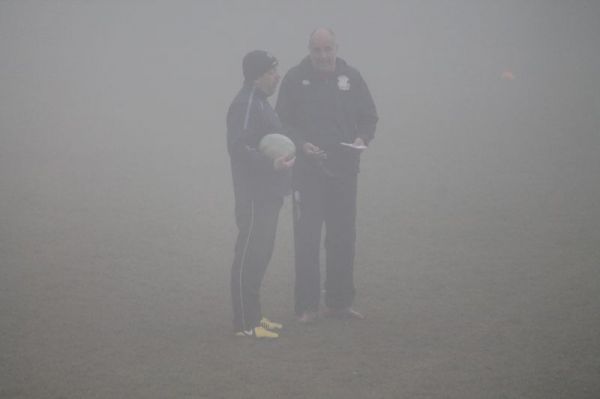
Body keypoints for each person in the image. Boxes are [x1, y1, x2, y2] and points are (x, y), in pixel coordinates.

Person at [276, 28, 378, 322]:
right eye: (317, 50)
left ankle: (339, 302)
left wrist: (362, 138)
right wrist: (300, 144)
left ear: (336, 48)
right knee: (306, 239)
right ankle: (306, 306)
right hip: (307, 174)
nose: (322, 56)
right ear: (309, 50)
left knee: (343, 237)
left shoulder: (352, 78)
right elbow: (281, 122)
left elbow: (369, 117)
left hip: (344, 172)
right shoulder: (295, 79)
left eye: (327, 49)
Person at [227, 50, 295, 338]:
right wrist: (271, 163)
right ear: (256, 77)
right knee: (250, 254)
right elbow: (239, 147)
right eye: (271, 72)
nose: (277, 76)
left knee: (262, 254)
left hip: (269, 194)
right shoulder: (245, 104)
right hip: (254, 196)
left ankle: (255, 318)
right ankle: (245, 324)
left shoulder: (262, 104)